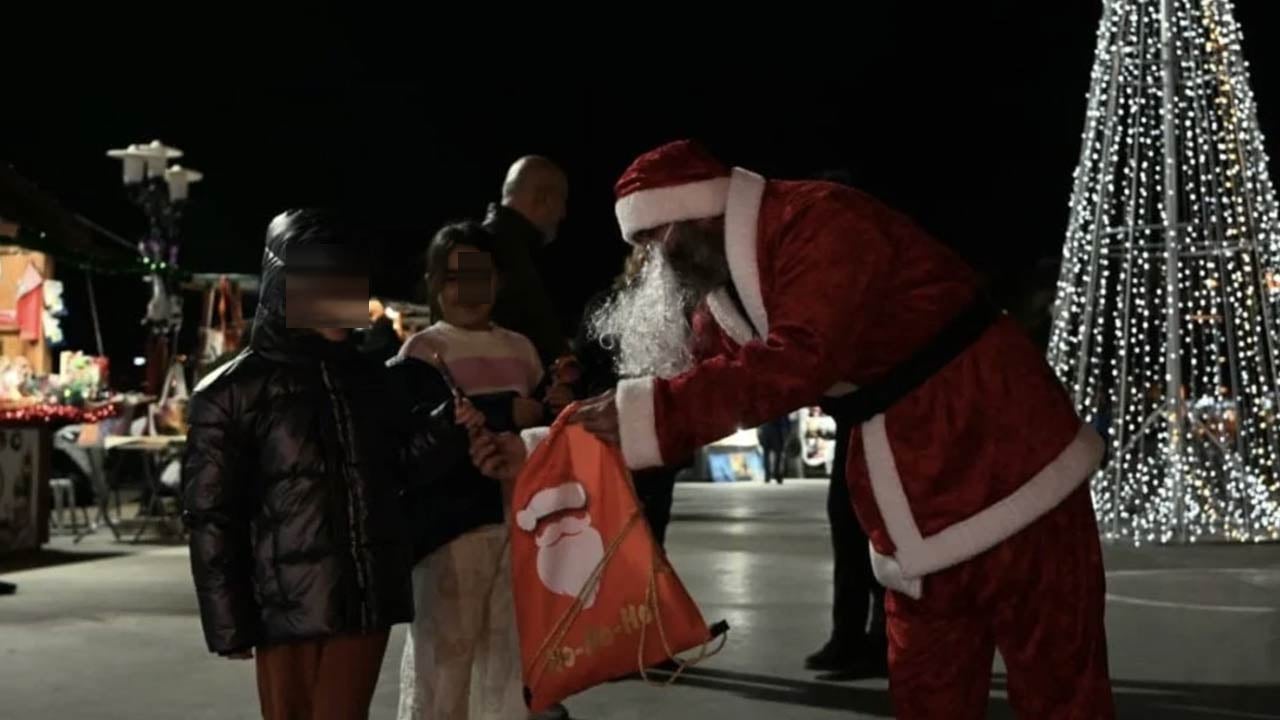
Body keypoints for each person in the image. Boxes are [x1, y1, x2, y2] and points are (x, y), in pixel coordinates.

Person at [552, 141, 1113, 719]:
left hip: (1001, 442)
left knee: (1056, 675)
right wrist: (584, 429)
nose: (649, 262)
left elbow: (801, 356)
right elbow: (699, 376)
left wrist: (652, 413)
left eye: (651, 239)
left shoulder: (821, 221)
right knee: (928, 680)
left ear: (695, 215)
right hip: (908, 477)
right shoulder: (727, 291)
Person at [182, 210, 478, 720]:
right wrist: (227, 622)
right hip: (286, 609)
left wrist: (444, 431)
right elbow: (211, 514)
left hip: (363, 602)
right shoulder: (233, 391)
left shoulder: (367, 380)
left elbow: (391, 474)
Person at [394, 221, 566, 720]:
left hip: (520, 526)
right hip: (450, 532)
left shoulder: (522, 349)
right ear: (434, 283)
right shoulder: (421, 351)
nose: (469, 291)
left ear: (498, 281)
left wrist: (555, 406)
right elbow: (416, 439)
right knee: (441, 665)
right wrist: (502, 411)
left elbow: (540, 428)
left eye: (480, 276)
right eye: (455, 278)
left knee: (511, 664)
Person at [577, 244, 684, 548]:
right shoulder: (604, 305)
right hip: (603, 433)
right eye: (644, 249)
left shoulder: (675, 310)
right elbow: (583, 362)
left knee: (649, 533)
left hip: (650, 438)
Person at [483, 155, 571, 368]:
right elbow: (466, 334)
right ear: (544, 198)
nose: (563, 214)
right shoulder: (489, 250)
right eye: (562, 201)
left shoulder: (482, 247)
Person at [756, 415, 791, 485]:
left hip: (766, 430)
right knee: (777, 454)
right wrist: (787, 431)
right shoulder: (779, 406)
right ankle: (776, 474)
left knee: (766, 454)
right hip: (776, 430)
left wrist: (759, 431)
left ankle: (768, 475)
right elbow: (785, 420)